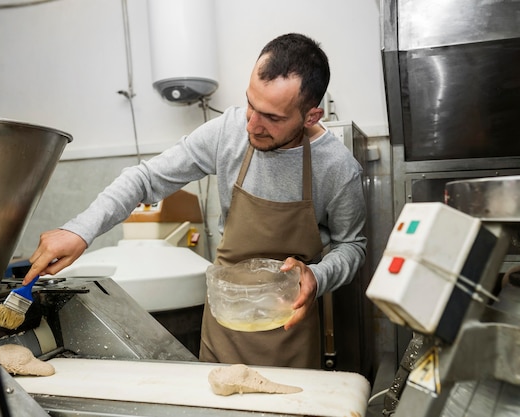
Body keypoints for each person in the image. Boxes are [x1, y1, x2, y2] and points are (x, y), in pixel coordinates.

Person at [22, 33, 366, 369]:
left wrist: (318, 277)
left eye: (273, 118)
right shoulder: (229, 131)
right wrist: (80, 231)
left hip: (289, 327)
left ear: (311, 117)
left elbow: (352, 245)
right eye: (250, 104)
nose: (252, 125)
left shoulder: (337, 169)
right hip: (224, 324)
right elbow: (145, 178)